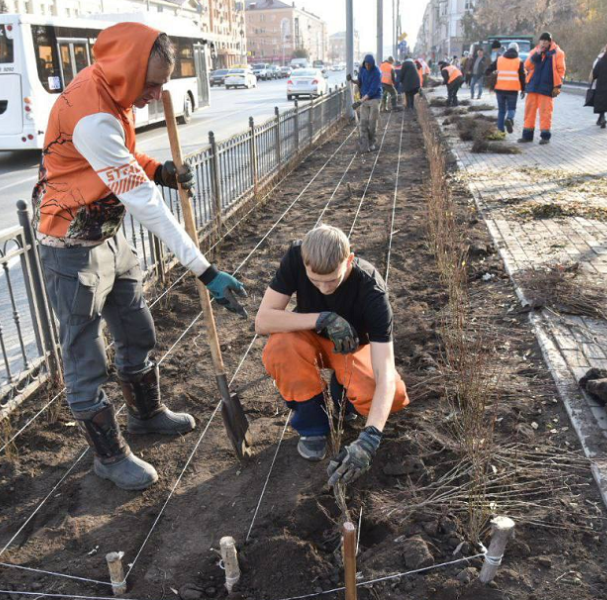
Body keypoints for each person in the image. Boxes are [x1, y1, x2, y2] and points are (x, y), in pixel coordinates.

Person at [32, 23, 247, 491]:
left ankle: (146, 415)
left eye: (162, 84)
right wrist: (204, 270)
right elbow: (142, 201)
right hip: (72, 247)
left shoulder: (114, 95)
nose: (156, 93)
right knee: (84, 355)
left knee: (135, 327)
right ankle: (109, 457)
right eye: (151, 84)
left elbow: (125, 158)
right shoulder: (91, 112)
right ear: (127, 70)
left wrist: (162, 170)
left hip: (108, 237)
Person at [255, 225, 409, 482]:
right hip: (308, 335)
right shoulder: (296, 256)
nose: (324, 288)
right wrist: (323, 319)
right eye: (315, 281)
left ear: (349, 260)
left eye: (332, 280)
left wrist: (370, 438)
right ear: (304, 261)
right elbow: (262, 322)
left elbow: (385, 374)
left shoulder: (371, 290)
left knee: (394, 396)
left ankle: (342, 396)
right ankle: (313, 425)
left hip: (351, 347)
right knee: (280, 348)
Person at [519, 32, 566, 145]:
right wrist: (537, 54)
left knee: (545, 113)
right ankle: (527, 136)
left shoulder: (558, 53)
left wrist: (558, 86)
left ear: (550, 42)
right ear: (539, 41)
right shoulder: (535, 51)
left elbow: (561, 71)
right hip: (533, 87)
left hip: (547, 87)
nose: (544, 43)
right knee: (529, 112)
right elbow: (527, 66)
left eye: (546, 41)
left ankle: (545, 137)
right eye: (542, 40)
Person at [485, 42, 526, 133]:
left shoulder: (500, 59)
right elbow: (522, 77)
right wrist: (523, 90)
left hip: (500, 89)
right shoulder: (519, 61)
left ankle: (500, 131)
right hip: (513, 90)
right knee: (512, 108)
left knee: (501, 110)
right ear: (517, 50)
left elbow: (487, 71)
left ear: (507, 49)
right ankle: (509, 119)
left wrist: (492, 75)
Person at [354, 54, 382, 152]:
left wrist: (360, 101)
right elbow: (360, 81)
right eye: (366, 64)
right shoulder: (362, 69)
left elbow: (372, 90)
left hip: (374, 98)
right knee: (363, 122)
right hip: (364, 99)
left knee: (372, 122)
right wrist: (353, 81)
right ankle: (364, 144)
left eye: (369, 65)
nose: (368, 66)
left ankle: (372, 142)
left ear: (372, 64)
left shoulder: (377, 72)